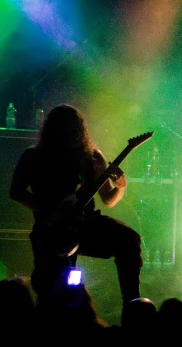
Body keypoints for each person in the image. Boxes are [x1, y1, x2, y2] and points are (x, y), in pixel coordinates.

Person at [9, 104, 143, 309]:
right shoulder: (33, 155)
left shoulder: (92, 157)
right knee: (52, 290)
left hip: (85, 225)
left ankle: (133, 305)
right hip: (51, 232)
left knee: (129, 240)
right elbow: (16, 191)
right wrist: (47, 210)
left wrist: (121, 186)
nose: (72, 136)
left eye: (75, 131)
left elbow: (109, 199)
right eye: (66, 131)